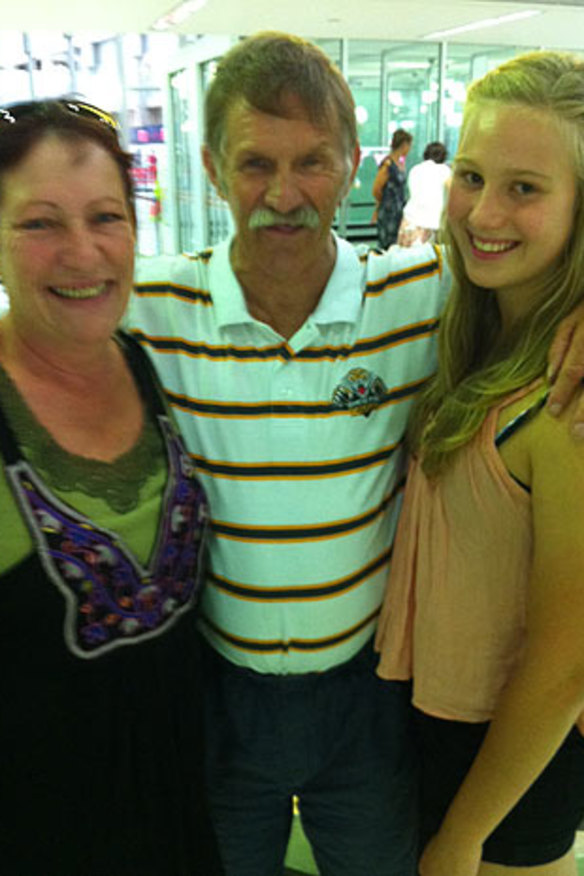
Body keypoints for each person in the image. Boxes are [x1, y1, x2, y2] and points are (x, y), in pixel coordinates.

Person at [128, 32, 584, 876]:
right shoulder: (151, 307)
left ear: (350, 163)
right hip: (224, 686)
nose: (285, 194)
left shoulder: (420, 297)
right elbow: (52, 316)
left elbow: (532, 276)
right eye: (254, 163)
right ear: (210, 165)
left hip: (371, 690)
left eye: (312, 162)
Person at [0, 99, 223, 876]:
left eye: (106, 216)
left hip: (182, 814)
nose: (82, 252)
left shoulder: (150, 356)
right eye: (39, 224)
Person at [376, 50, 584, 876]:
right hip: (428, 726)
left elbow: (567, 659)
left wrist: (464, 836)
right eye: (470, 175)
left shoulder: (566, 398)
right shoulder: (469, 329)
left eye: (525, 188)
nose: (481, 211)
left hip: (509, 769)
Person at [397, 141, 451, 247]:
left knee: (409, 262)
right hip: (436, 225)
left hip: (412, 223)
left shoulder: (415, 170)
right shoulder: (446, 172)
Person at [372, 127, 413, 248]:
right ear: (404, 144)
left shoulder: (400, 163)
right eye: (409, 145)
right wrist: (384, 202)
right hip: (388, 211)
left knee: (396, 243)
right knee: (387, 244)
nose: (410, 149)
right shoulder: (388, 164)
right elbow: (376, 189)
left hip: (398, 210)